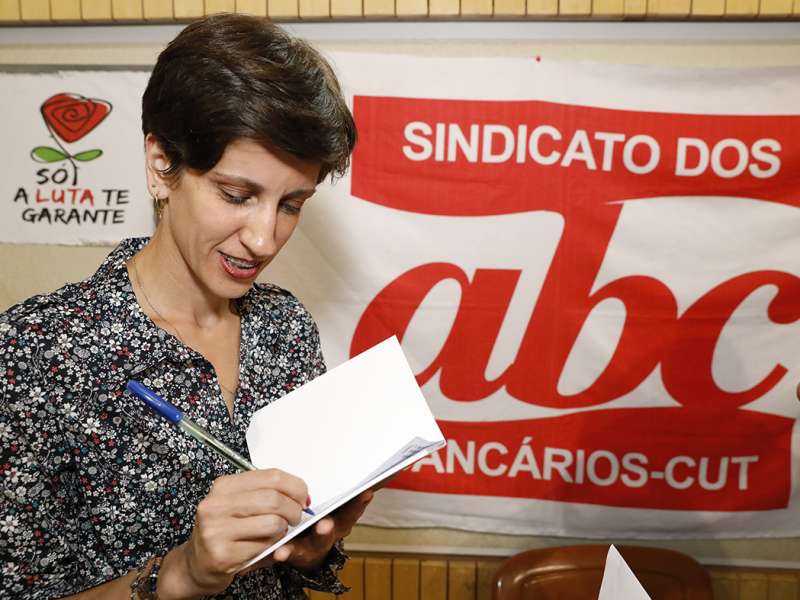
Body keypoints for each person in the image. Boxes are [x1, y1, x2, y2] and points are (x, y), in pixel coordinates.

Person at [0, 13, 370, 600]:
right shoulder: (34, 351)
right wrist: (181, 575)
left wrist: (312, 544)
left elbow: (292, 563)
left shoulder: (287, 328)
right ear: (160, 163)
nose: (265, 238)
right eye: (237, 195)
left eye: (292, 204)